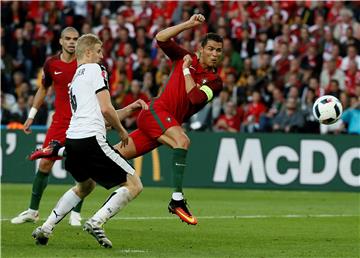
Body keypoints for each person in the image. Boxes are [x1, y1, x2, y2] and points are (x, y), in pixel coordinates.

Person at [33, 14, 224, 226]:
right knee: (183, 141)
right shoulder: (185, 58)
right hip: (157, 112)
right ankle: (177, 199)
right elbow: (160, 38)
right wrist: (189, 24)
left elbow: (194, 97)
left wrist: (186, 71)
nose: (214, 54)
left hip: (162, 125)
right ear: (201, 49)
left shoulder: (215, 81)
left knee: (104, 162)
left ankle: (59, 154)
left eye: (218, 51)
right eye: (211, 49)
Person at [32, 34, 147, 248]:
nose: (102, 56)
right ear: (88, 52)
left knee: (84, 186)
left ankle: (46, 227)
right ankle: (96, 222)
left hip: (73, 140)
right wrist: (122, 131)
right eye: (99, 51)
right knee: (134, 184)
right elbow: (105, 109)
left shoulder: (75, 78)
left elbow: (99, 115)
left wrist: (129, 109)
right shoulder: (96, 70)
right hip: (91, 140)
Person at [11, 27, 85, 226]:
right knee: (44, 163)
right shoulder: (52, 64)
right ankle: (32, 211)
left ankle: (76, 213)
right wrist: (31, 115)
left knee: (81, 166)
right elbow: (43, 88)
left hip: (81, 122)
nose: (72, 42)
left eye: (75, 39)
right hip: (59, 123)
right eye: (68, 39)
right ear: (60, 41)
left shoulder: (86, 64)